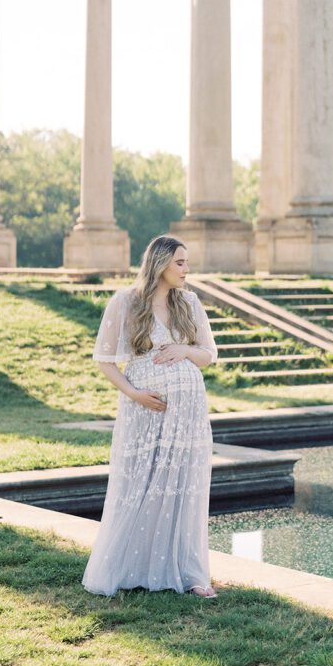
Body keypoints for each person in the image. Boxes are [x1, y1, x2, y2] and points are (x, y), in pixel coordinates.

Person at [82, 234, 219, 598]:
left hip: (188, 413)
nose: (186, 269)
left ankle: (190, 573)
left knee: (185, 485)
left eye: (187, 262)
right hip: (145, 409)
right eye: (180, 262)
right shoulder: (126, 302)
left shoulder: (189, 302)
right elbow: (104, 360)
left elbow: (209, 354)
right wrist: (134, 393)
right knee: (143, 484)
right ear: (160, 264)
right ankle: (134, 566)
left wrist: (184, 350)